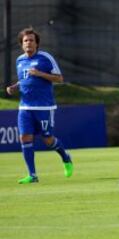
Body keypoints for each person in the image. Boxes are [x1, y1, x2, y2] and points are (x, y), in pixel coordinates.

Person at [6, 27, 73, 184]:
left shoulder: (45, 58)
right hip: (25, 107)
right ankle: (33, 175)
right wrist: (14, 87)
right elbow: (24, 79)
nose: (28, 43)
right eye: (25, 41)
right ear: (22, 45)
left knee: (48, 139)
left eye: (31, 40)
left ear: (37, 44)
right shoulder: (20, 60)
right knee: (24, 137)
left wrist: (40, 74)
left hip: (44, 107)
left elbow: (59, 78)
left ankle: (66, 157)